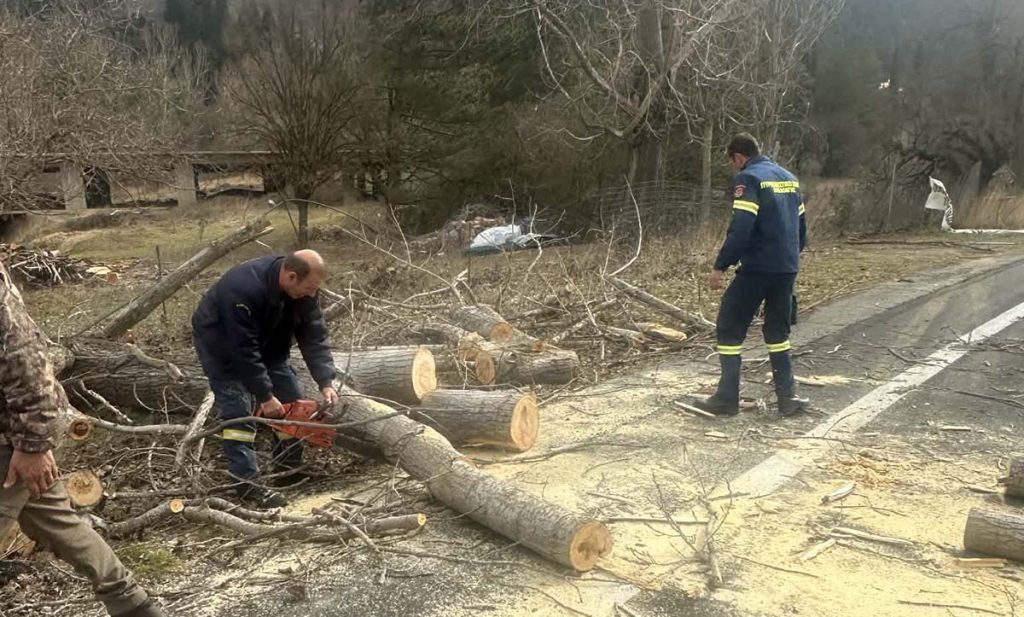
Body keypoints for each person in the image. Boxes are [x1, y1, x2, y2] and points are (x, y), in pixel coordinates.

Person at [0, 261, 163, 617]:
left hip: (12, 434)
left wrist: (33, 444)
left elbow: (25, 359)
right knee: (61, 524)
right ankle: (134, 606)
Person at [192, 250, 338, 508]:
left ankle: (287, 469)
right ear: (291, 276)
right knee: (239, 416)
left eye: (314, 289)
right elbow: (243, 351)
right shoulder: (243, 290)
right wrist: (265, 396)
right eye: (308, 288)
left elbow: (313, 333)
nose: (311, 295)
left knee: (293, 401)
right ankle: (247, 486)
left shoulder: (303, 291)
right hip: (224, 349)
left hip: (270, 345)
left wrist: (326, 381)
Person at [688, 133, 809, 417]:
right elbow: (802, 229)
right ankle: (787, 398)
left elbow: (741, 227)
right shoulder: (789, 178)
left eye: (733, 163)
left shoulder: (749, 179)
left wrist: (721, 265)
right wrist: (789, 259)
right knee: (777, 332)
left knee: (729, 326)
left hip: (757, 269)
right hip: (786, 268)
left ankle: (726, 398)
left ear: (738, 157)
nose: (734, 168)